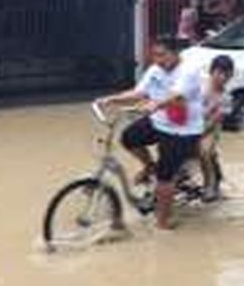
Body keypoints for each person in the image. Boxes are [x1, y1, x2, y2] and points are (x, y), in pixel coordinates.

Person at [98, 37, 203, 230]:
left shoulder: (189, 71)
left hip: (181, 131)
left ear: (175, 53)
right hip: (159, 121)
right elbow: (139, 93)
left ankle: (163, 222)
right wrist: (112, 99)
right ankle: (149, 166)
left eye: (162, 55)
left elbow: (177, 96)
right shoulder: (156, 70)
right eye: (154, 55)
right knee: (129, 138)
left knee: (165, 177)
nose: (157, 60)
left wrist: (157, 103)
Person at [199, 55, 235, 202]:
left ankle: (210, 182)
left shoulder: (226, 98)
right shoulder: (199, 86)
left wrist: (198, 133)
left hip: (209, 130)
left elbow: (214, 121)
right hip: (189, 124)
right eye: (219, 73)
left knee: (204, 151)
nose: (223, 77)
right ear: (211, 71)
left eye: (227, 74)